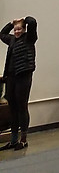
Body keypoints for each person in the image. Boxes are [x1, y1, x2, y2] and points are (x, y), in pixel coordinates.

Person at [0, 16, 38, 151]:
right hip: (11, 77)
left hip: (24, 76)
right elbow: (1, 34)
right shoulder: (11, 40)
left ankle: (24, 139)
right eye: (15, 29)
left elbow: (32, 22)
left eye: (19, 29)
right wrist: (11, 23)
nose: (16, 32)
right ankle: (13, 140)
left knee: (22, 107)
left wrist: (24, 19)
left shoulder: (29, 38)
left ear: (24, 29)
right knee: (13, 109)